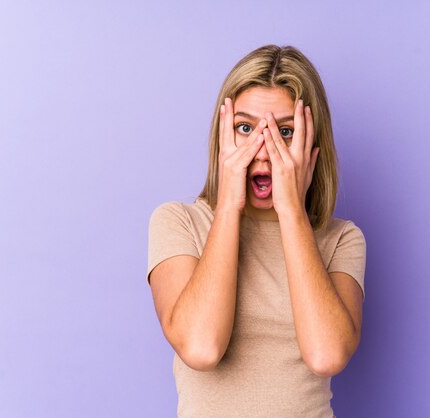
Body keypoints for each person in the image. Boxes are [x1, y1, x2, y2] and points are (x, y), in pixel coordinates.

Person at [147, 44, 366, 418]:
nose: (263, 151)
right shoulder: (179, 222)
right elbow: (201, 348)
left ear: (312, 147)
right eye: (245, 128)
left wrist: (292, 211)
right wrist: (229, 205)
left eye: (285, 131)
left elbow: (326, 355)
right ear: (222, 137)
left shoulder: (341, 239)